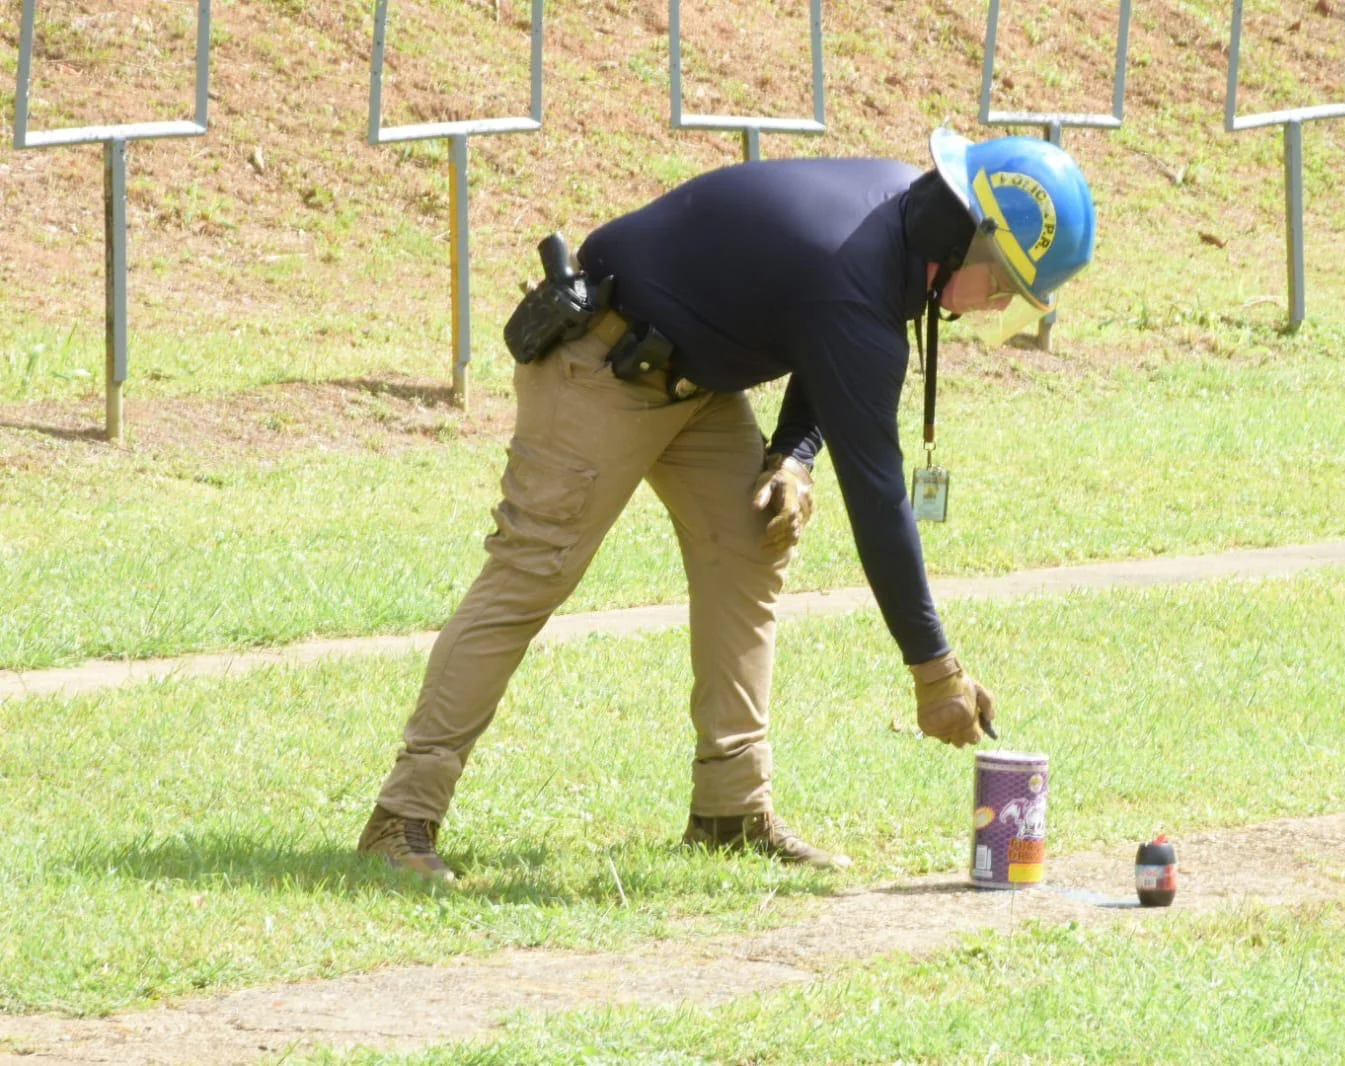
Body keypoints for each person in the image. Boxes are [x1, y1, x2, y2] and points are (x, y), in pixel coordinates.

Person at [357, 128, 1096, 880]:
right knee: (531, 572)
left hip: (691, 375)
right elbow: (876, 492)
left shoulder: (898, 221)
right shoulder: (858, 266)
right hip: (599, 362)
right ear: (965, 237)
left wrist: (792, 456)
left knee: (752, 544)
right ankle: (401, 820)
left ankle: (730, 811)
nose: (993, 305)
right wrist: (935, 672)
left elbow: (825, 336)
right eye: (1000, 285)